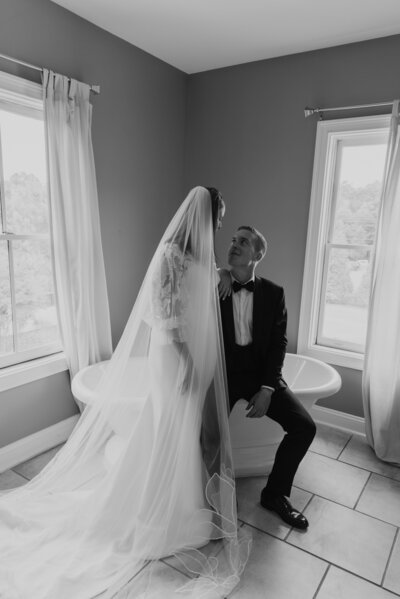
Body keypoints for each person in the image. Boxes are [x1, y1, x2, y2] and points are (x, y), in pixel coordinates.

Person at [0, 187, 249, 599]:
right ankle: (163, 510)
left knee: (189, 432)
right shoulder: (170, 254)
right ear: (204, 216)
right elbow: (166, 313)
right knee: (172, 429)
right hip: (176, 356)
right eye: (219, 216)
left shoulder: (205, 256)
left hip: (197, 356)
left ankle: (190, 505)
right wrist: (187, 360)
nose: (222, 224)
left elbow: (204, 299)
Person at [219, 225, 316, 530]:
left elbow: (278, 344)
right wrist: (220, 273)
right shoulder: (214, 285)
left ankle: (274, 495)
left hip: (260, 374)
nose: (234, 245)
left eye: (243, 242)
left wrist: (267, 388)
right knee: (197, 430)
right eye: (233, 240)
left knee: (304, 427)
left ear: (257, 254)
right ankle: (213, 495)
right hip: (221, 375)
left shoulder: (274, 293)